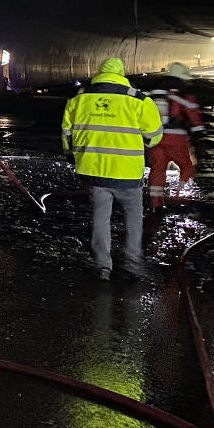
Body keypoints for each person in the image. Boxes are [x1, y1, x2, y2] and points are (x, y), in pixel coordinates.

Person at [61, 57, 163, 281]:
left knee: (100, 218)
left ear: (99, 73)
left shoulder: (79, 99)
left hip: (94, 171)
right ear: (122, 74)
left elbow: (67, 133)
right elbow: (154, 137)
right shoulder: (139, 101)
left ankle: (102, 266)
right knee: (134, 217)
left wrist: (72, 156)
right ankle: (133, 262)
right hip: (127, 173)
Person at [146, 62, 205, 210]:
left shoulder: (156, 90)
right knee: (187, 167)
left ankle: (155, 204)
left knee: (157, 170)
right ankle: (177, 195)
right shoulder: (184, 92)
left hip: (157, 137)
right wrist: (199, 131)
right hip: (176, 138)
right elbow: (192, 114)